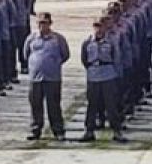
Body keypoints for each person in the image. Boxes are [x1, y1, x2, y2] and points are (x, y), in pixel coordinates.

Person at [23, 12, 68, 142]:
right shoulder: (31, 38)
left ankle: (58, 130)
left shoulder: (58, 39)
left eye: (45, 23)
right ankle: (35, 129)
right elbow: (26, 54)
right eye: (40, 23)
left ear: (50, 23)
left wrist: (53, 64)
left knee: (54, 105)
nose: (43, 26)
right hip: (35, 78)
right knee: (35, 105)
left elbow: (65, 55)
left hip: (52, 78)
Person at [78, 19, 125, 143]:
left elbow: (116, 58)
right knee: (92, 105)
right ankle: (89, 131)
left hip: (108, 75)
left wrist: (115, 74)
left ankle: (117, 131)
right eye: (96, 26)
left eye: (101, 27)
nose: (98, 29)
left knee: (111, 105)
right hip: (93, 75)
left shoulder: (111, 42)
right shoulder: (87, 43)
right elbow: (84, 59)